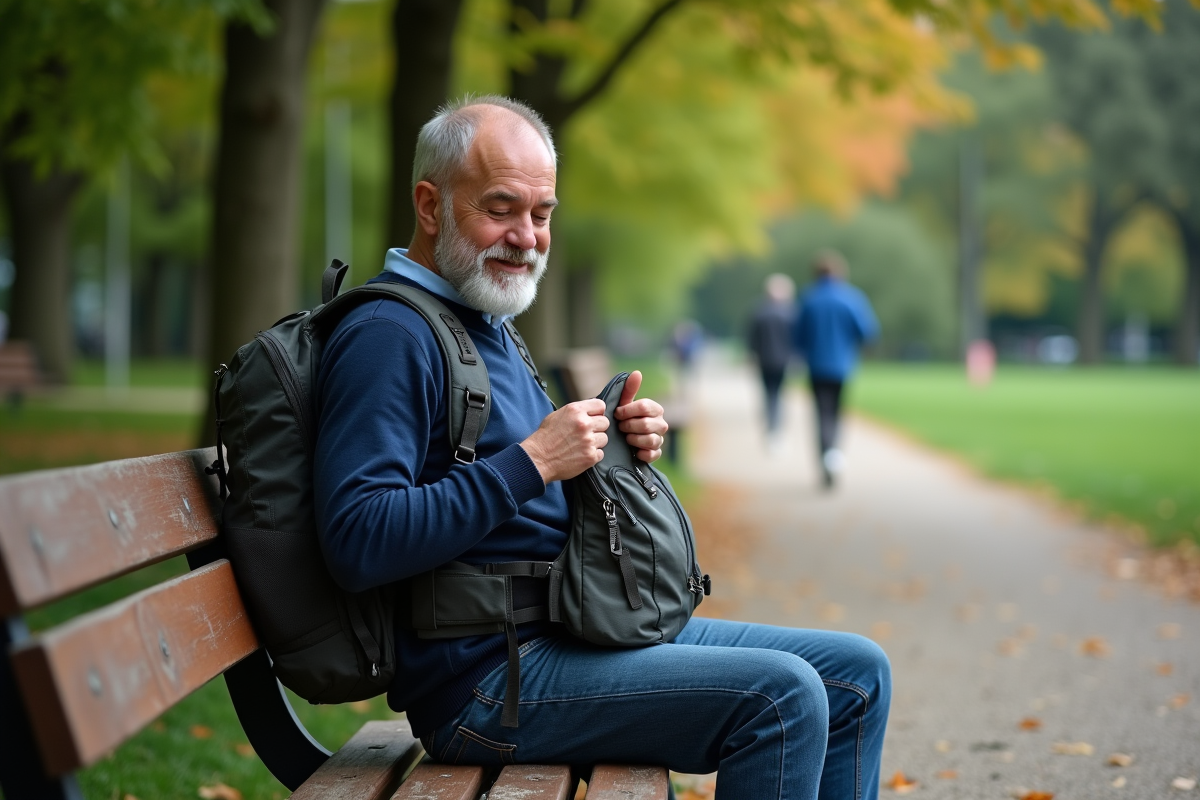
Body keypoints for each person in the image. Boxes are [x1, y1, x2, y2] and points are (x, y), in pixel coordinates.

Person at [314, 95, 890, 800]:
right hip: (489, 681)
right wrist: (533, 463)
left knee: (858, 674)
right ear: (430, 207)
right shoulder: (389, 334)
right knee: (783, 696)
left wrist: (610, 445)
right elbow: (357, 539)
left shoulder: (479, 318)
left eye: (543, 213)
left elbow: (519, 469)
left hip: (569, 632)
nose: (526, 236)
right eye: (501, 208)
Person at [792, 251, 879, 488]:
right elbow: (867, 331)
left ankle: (826, 457)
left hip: (816, 366)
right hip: (842, 366)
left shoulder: (808, 299)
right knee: (837, 413)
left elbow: (798, 336)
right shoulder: (852, 298)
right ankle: (834, 455)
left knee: (821, 414)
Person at [747, 273, 796, 449]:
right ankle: (776, 429)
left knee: (769, 394)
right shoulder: (790, 312)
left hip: (765, 360)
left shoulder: (760, 311)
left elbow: (752, 339)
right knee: (779, 393)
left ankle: (772, 428)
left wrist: (752, 356)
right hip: (782, 360)